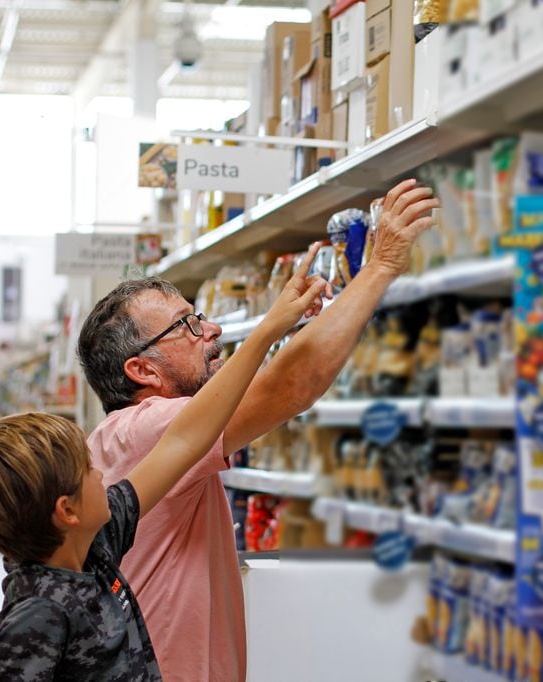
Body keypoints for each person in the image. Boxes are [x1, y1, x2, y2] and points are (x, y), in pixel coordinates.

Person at [77, 179, 437, 681]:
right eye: (187, 325)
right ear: (144, 372)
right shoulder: (150, 427)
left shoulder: (119, 435)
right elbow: (288, 386)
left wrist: (292, 326)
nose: (213, 329)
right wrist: (381, 266)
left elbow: (268, 381)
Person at [0, 246, 331, 681]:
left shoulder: (103, 540)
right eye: (89, 472)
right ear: (67, 511)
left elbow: (186, 440)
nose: (103, 473)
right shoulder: (38, 609)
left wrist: (268, 329)